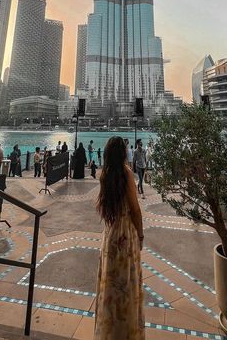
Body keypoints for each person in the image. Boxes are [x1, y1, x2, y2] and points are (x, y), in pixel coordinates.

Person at [95, 136, 144, 339]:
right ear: (123, 152)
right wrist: (140, 235)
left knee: (110, 280)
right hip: (126, 233)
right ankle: (127, 331)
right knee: (126, 282)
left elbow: (104, 206)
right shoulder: (126, 174)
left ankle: (109, 329)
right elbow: (135, 209)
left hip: (111, 232)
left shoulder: (104, 174)